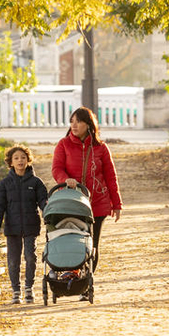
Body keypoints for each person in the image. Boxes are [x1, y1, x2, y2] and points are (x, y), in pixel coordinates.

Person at [52, 106, 122, 273]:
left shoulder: (101, 148)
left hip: (98, 203)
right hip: (72, 202)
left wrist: (117, 204)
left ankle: (87, 281)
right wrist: (65, 179)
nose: (74, 125)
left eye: (79, 121)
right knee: (75, 242)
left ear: (89, 124)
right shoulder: (64, 145)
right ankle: (74, 276)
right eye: (72, 121)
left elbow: (111, 177)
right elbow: (56, 169)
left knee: (93, 244)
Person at [0, 145, 48, 304]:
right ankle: (16, 290)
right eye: (16, 158)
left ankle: (29, 288)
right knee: (13, 261)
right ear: (10, 162)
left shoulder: (36, 182)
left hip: (31, 226)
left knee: (30, 257)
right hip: (12, 227)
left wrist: (48, 212)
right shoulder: (5, 183)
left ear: (28, 160)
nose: (20, 160)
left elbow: (43, 200)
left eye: (23, 157)